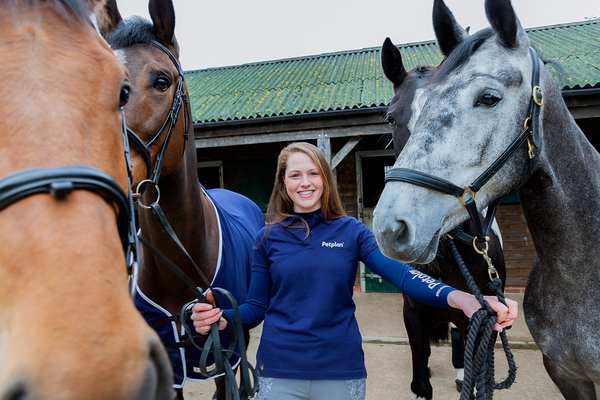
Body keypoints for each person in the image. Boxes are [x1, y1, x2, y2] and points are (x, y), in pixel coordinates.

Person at [191, 142, 518, 400]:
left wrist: (461, 299)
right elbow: (255, 308)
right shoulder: (267, 239)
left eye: (314, 174)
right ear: (283, 183)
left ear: (325, 179)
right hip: (278, 373)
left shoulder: (352, 233)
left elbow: (403, 275)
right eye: (295, 175)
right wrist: (223, 317)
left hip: (340, 373)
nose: (305, 183)